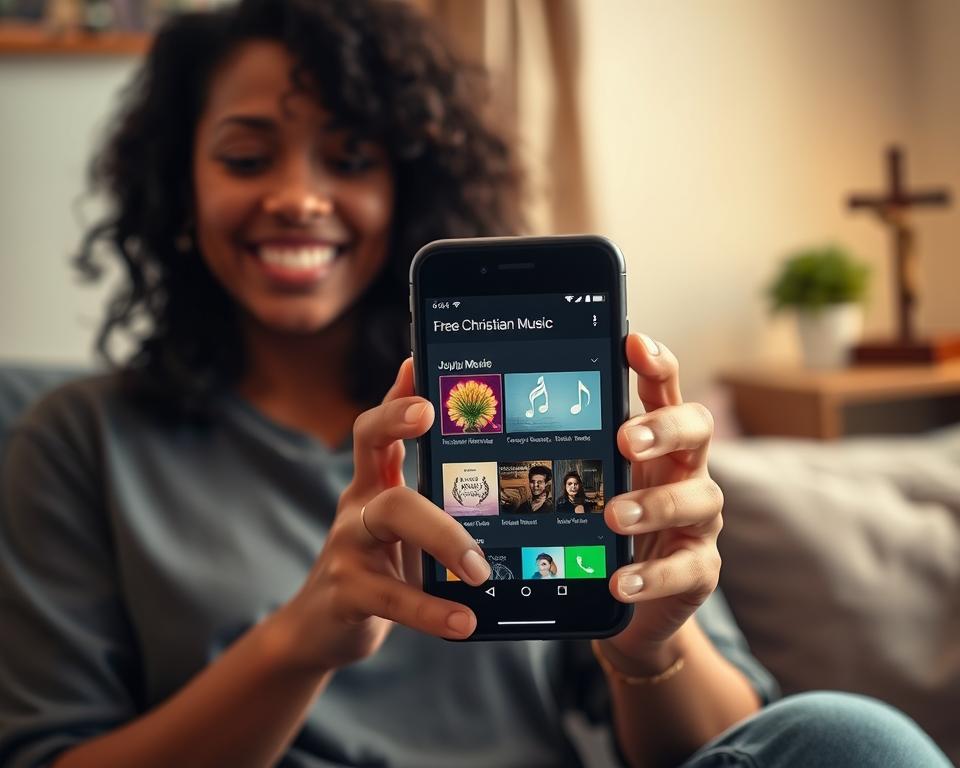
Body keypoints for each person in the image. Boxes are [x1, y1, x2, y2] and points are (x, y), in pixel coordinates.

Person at [0, 1, 952, 767]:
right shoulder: (79, 437)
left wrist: (647, 642)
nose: (297, 196)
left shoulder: (508, 407)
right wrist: (301, 640)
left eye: (351, 159)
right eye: (247, 158)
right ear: (179, 186)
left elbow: (733, 745)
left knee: (850, 738)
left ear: (406, 189)